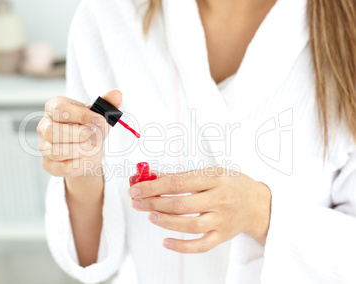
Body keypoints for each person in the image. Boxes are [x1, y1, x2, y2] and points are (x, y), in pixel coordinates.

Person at [37, 0, 356, 283]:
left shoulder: (346, 30)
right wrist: (81, 174)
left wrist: (261, 212)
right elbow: (91, 259)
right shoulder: (108, 14)